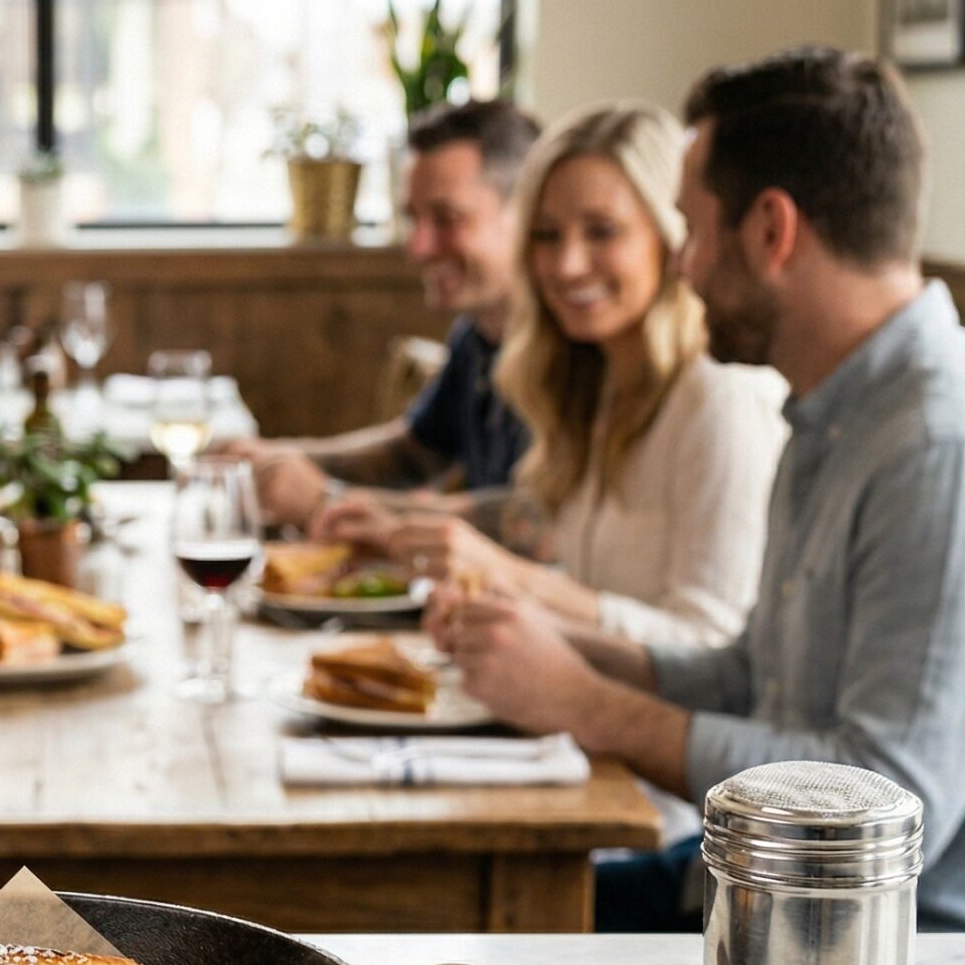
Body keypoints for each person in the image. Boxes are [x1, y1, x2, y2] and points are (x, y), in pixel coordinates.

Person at [435, 48, 965, 934]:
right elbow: (751, 675)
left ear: (772, 231)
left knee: (480, 941)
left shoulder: (950, 453)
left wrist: (582, 702)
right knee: (457, 927)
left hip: (925, 959)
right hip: (777, 899)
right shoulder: (835, 412)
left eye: (691, 229)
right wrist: (555, 647)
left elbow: (876, 808)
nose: (680, 266)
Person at [322, 102, 784, 650]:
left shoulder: (719, 396)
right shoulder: (592, 378)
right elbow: (581, 589)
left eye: (602, 232)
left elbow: (713, 646)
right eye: (546, 235)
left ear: (670, 236)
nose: (565, 265)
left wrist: (510, 578)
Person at [209, 99, 540, 529]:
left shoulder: (575, 347)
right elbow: (414, 451)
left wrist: (326, 502)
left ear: (527, 214)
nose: (418, 247)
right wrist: (279, 458)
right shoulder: (477, 335)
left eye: (446, 218)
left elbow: (539, 522)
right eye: (413, 218)